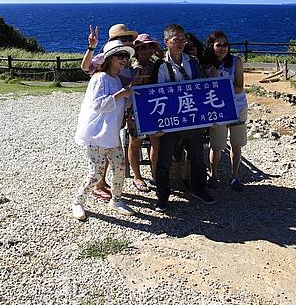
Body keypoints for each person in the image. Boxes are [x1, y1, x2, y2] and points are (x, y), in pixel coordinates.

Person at [72, 40, 137, 221]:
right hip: (97, 135)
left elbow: (120, 104)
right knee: (96, 173)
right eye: (120, 56)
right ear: (109, 58)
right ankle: (78, 202)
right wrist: (120, 94)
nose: (124, 60)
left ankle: (116, 200)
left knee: (119, 168)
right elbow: (98, 104)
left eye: (126, 56)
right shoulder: (100, 78)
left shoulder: (116, 79)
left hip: (111, 134)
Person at [153, 24, 215, 212]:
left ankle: (199, 189)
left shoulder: (193, 62)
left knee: (198, 157)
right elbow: (157, 94)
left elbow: (201, 87)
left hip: (192, 119)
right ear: (167, 42)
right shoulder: (161, 65)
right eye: (176, 40)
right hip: (170, 122)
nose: (181, 43)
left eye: (183, 40)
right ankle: (162, 196)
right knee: (164, 161)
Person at [202, 31, 248, 192]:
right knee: (216, 145)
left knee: (236, 144)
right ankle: (213, 175)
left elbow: (239, 87)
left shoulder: (236, 62)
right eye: (218, 44)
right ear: (211, 46)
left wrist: (218, 82)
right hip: (218, 110)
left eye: (225, 44)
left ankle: (234, 177)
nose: (223, 48)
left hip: (237, 107)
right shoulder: (206, 65)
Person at [127, 34, 162, 191]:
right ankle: (137, 176)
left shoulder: (158, 65)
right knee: (135, 143)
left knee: (156, 142)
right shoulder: (131, 69)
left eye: (149, 47)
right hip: (136, 111)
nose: (146, 50)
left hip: (156, 108)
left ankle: (155, 174)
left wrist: (158, 51)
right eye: (142, 47)